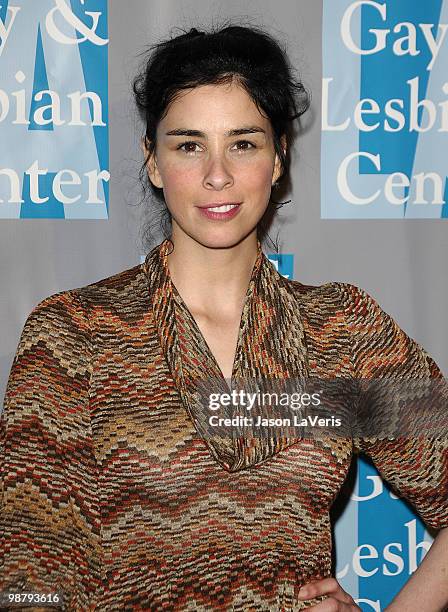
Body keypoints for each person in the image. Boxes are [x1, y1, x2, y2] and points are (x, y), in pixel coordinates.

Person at [1, 22, 447, 612]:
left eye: (243, 142)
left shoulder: (343, 330)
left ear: (279, 156)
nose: (218, 174)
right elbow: (31, 585)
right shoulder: (73, 335)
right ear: (153, 163)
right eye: (189, 145)